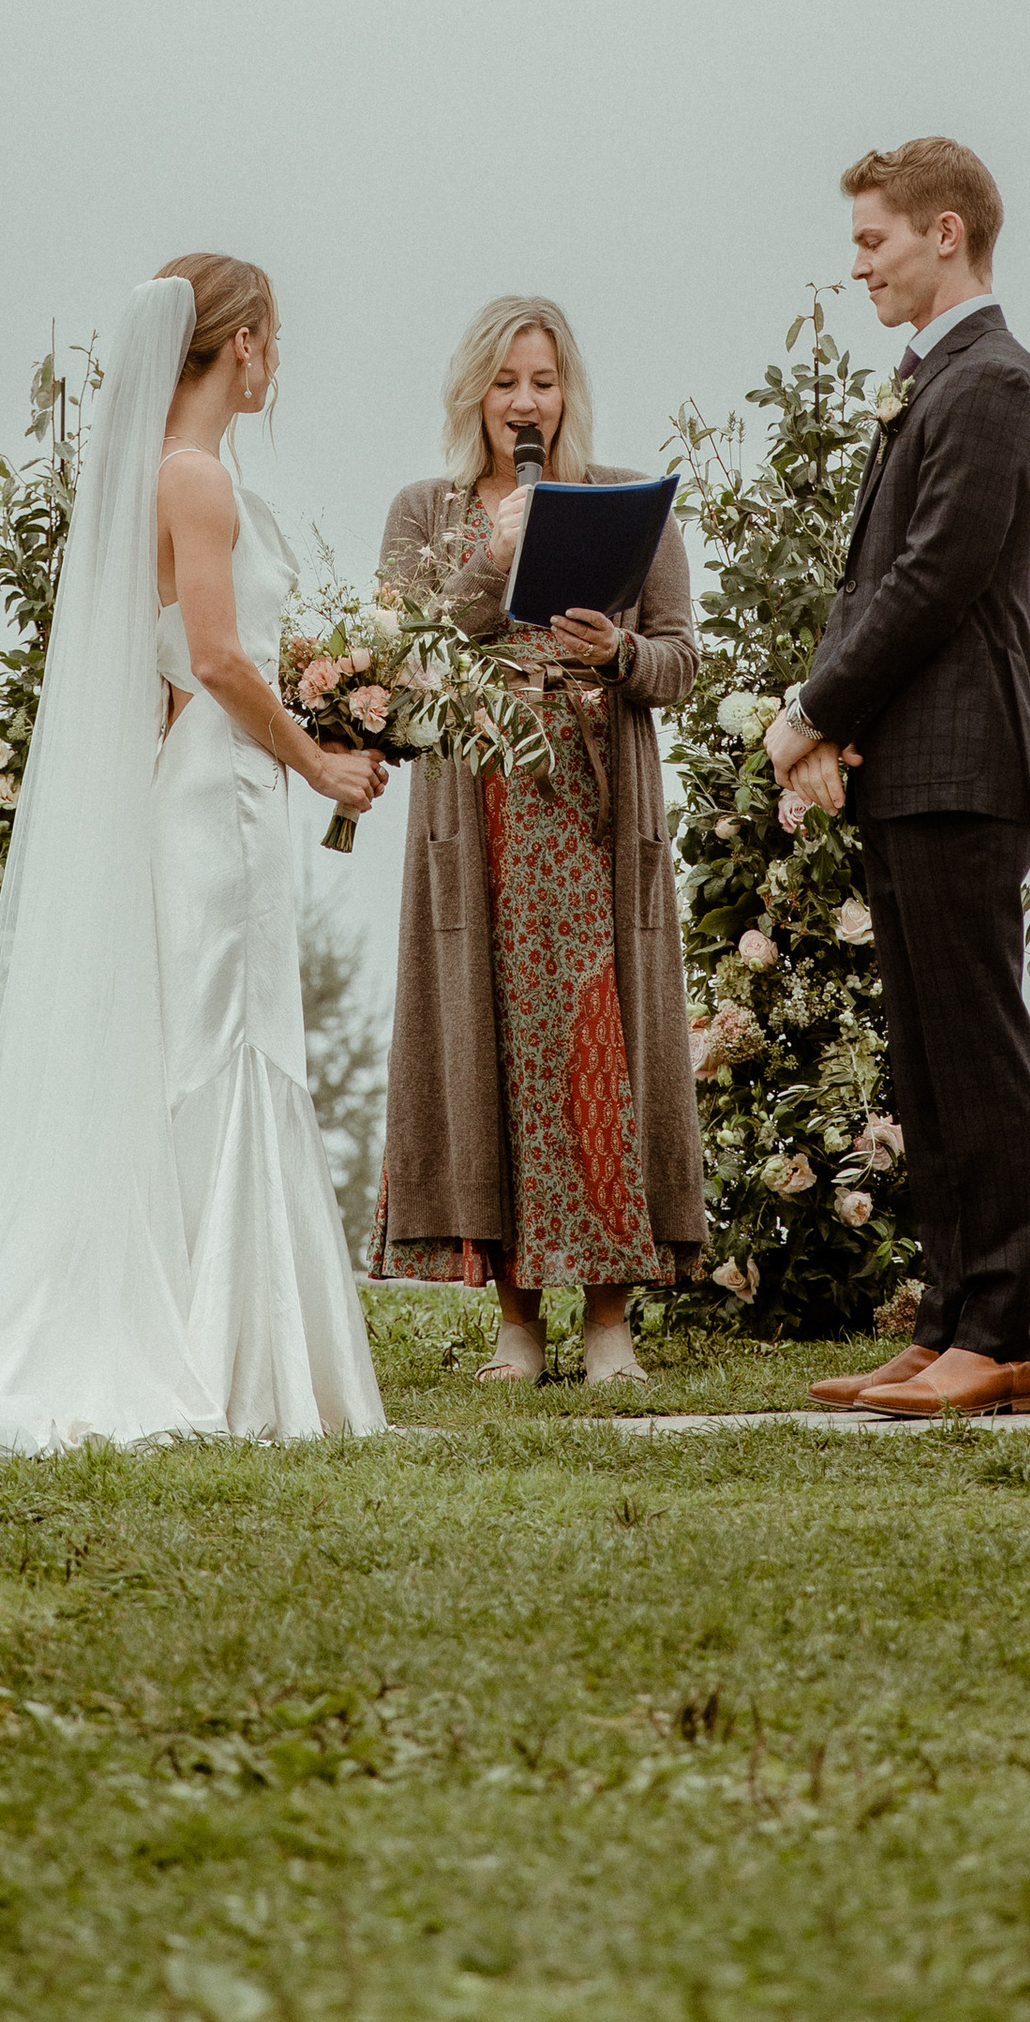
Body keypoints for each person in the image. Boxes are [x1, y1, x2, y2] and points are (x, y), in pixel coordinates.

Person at [0, 261, 390, 1463]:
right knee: (228, 1038)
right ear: (238, 348)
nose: (275, 362)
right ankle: (225, 1350)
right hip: (223, 792)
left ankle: (217, 1328)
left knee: (210, 1033)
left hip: (196, 778)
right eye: (270, 339)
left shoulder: (157, 474)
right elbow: (226, 662)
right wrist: (318, 763)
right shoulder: (199, 480)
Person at [766, 141, 1030, 1422]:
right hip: (909, 767)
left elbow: (933, 580)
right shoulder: (935, 379)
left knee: (974, 1052)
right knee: (926, 1060)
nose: (858, 263)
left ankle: (1001, 1333)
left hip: (963, 763)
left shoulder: (991, 382)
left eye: (873, 240)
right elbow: (870, 585)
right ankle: (945, 1318)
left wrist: (812, 713)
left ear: (946, 233)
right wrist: (833, 734)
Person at [367, 299, 701, 1388]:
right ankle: (517, 1320)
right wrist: (491, 558)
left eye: (544, 382)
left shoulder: (624, 503)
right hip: (482, 818)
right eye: (507, 382)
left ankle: (609, 1318)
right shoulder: (424, 510)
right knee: (494, 1045)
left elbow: (683, 662)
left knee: (598, 1044)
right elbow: (399, 655)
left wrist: (617, 655)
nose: (526, 403)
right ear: (475, 393)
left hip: (594, 813)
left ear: (568, 393)